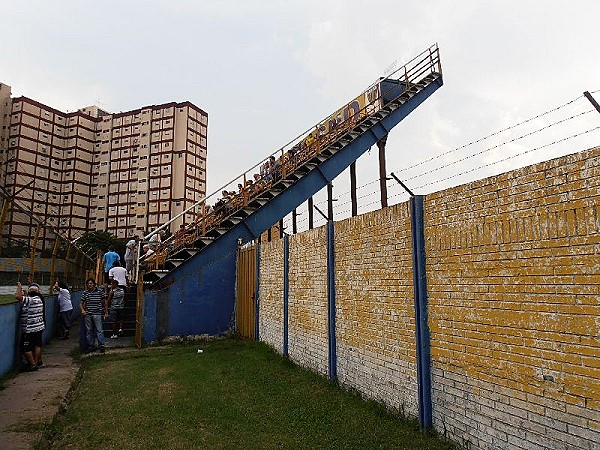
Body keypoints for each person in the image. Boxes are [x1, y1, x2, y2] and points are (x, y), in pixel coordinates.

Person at [16, 282, 45, 371]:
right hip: (39, 328)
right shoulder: (39, 299)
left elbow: (18, 297)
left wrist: (19, 288)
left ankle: (32, 364)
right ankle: (36, 363)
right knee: (37, 345)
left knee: (25, 348)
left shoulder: (32, 300)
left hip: (30, 329)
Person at [80, 278, 108, 354]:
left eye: (91, 283)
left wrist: (106, 312)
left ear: (94, 284)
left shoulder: (100, 292)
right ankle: (91, 345)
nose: (89, 285)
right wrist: (83, 310)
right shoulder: (85, 293)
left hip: (97, 313)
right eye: (88, 284)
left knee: (99, 330)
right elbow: (81, 303)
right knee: (89, 330)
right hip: (88, 313)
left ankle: (101, 345)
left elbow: (105, 302)